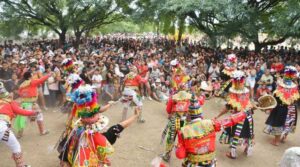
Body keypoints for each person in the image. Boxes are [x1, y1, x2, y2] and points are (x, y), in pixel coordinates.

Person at [58, 85, 140, 167]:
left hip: (80, 130)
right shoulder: (88, 109)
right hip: (87, 133)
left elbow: (99, 110)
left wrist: (109, 104)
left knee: (68, 145)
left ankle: (66, 161)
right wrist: (135, 116)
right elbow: (99, 112)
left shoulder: (78, 106)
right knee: (114, 130)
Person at [175, 94, 246, 167]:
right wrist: (244, 114)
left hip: (193, 164)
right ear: (201, 115)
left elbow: (180, 155)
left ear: (188, 116)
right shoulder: (211, 123)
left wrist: (177, 148)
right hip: (210, 164)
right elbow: (229, 121)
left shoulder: (183, 132)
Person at [216, 70, 254, 159]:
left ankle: (232, 153)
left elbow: (227, 108)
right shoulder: (246, 92)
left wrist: (218, 116)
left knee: (236, 134)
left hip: (238, 118)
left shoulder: (234, 96)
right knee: (248, 132)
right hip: (248, 116)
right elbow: (249, 106)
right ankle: (247, 148)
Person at [0, 82, 38, 167]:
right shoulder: (9, 102)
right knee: (15, 146)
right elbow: (21, 111)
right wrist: (33, 112)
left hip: (3, 128)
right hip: (2, 128)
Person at [264, 66, 299, 146]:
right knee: (287, 123)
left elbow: (275, 97)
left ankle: (276, 141)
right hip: (290, 108)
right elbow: (294, 99)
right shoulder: (294, 88)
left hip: (280, 108)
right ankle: (281, 138)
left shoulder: (280, 86)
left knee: (278, 123)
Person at [14, 71, 52, 138]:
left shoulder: (22, 84)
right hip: (32, 104)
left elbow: (19, 93)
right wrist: (49, 75)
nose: (33, 76)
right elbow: (41, 80)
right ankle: (42, 131)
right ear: (29, 76)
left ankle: (19, 134)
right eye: (32, 75)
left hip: (24, 104)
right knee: (39, 116)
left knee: (22, 119)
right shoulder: (32, 82)